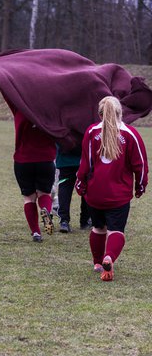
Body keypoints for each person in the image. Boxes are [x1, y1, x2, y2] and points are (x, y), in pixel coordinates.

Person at [75, 96, 148, 281]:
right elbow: (140, 165)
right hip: (118, 195)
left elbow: (85, 163)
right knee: (116, 230)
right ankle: (109, 257)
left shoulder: (92, 132)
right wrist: (140, 186)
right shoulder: (130, 134)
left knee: (98, 228)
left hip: (95, 193)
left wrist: (80, 183)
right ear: (119, 112)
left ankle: (98, 263)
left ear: (100, 114)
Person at [13, 110, 56, 242]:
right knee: (44, 194)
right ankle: (45, 210)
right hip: (45, 159)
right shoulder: (49, 113)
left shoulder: (19, 111)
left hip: (23, 160)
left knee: (29, 198)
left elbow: (8, 92)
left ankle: (36, 232)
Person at [55, 145, 91, 233]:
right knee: (86, 188)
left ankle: (64, 220)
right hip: (84, 159)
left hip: (65, 159)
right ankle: (85, 221)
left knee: (65, 188)